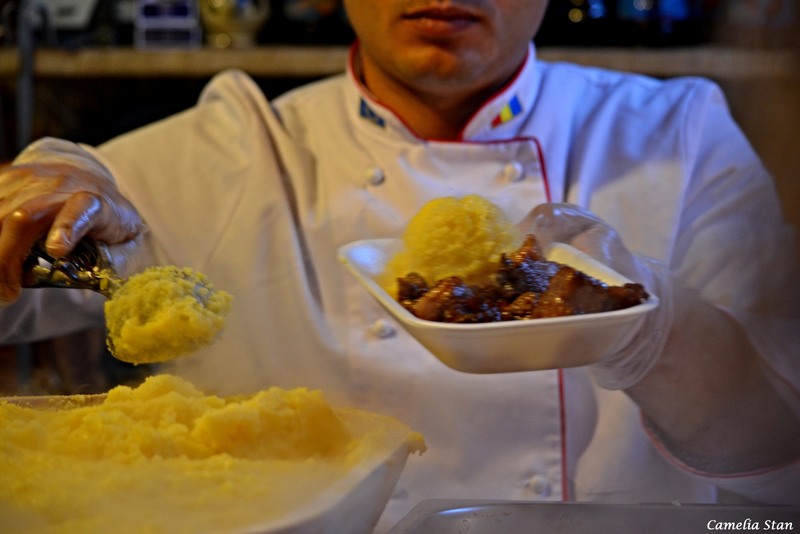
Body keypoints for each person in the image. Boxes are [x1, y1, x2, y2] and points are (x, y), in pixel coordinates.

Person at [1, 0, 799, 530]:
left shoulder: (678, 135)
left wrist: (653, 333)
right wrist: (37, 201)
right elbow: (31, 275)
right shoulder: (236, 148)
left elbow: (779, 469)